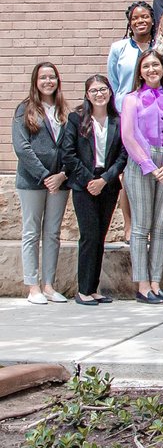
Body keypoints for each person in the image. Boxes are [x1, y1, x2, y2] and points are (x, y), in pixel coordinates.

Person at [121, 50, 163, 304]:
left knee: (161, 226)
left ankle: (156, 283)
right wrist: (148, 164)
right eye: (146, 66)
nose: (151, 70)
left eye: (156, 65)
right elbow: (128, 135)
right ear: (140, 71)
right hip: (141, 163)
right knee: (141, 226)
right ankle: (142, 284)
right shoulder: (132, 99)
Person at [62, 75, 127, 305]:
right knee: (89, 236)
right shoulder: (76, 119)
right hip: (84, 184)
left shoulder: (118, 121)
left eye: (103, 89)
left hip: (108, 185)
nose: (99, 94)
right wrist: (90, 180)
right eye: (94, 91)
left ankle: (93, 288)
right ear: (87, 95)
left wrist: (105, 179)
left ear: (110, 92)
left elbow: (122, 155)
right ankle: (83, 291)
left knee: (100, 236)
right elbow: (68, 154)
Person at [12, 63, 71, 305]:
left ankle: (48, 285)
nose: (48, 81)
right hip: (32, 181)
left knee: (53, 233)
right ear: (35, 81)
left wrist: (62, 175)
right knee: (31, 232)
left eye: (52, 77)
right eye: (43, 77)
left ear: (58, 80)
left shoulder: (64, 110)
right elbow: (22, 147)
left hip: (60, 181)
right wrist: (46, 175)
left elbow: (71, 147)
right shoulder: (24, 109)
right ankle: (32, 286)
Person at [108, 1, 155, 112]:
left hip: (154, 109)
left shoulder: (160, 48)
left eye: (145, 17)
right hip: (125, 109)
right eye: (134, 18)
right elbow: (113, 81)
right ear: (129, 23)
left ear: (152, 21)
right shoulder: (118, 48)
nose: (140, 21)